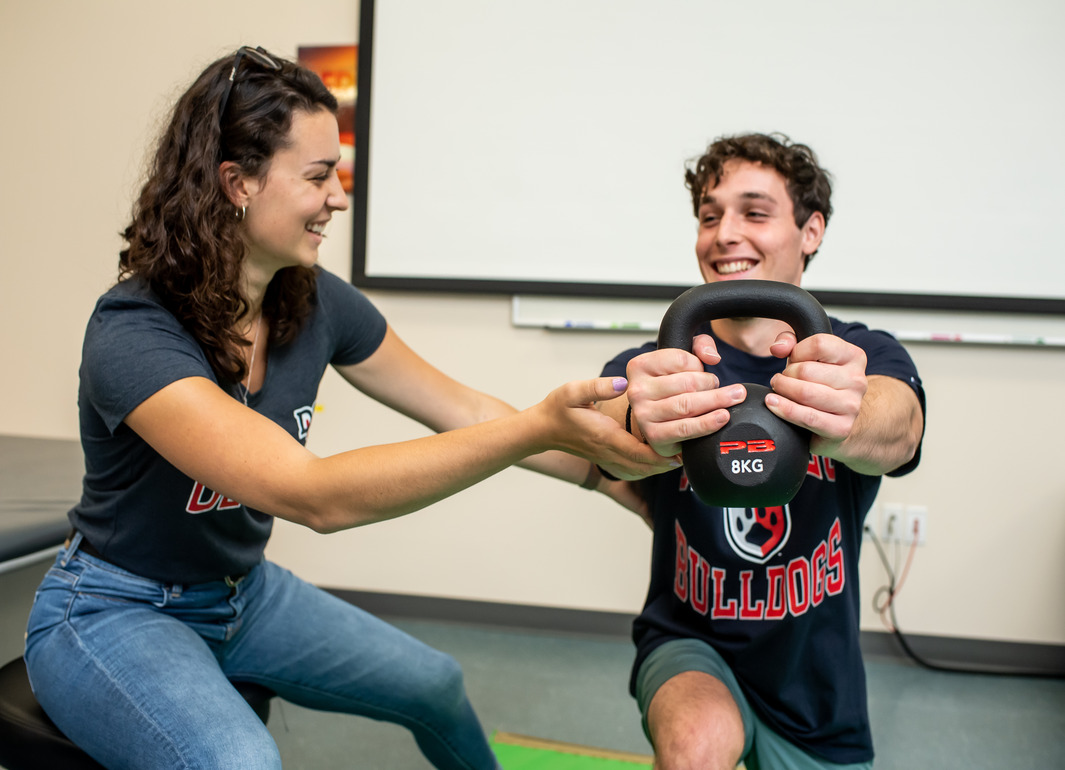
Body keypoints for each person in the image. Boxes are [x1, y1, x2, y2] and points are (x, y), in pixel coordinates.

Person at [23, 46, 676, 770]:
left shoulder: (311, 299)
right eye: (316, 176)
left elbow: (460, 406)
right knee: (242, 763)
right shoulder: (133, 331)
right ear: (236, 183)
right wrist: (536, 426)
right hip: (116, 609)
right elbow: (313, 496)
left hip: (244, 594)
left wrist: (612, 482)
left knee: (436, 683)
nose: (338, 195)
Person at [598, 133, 926, 769]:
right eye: (710, 215)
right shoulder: (661, 366)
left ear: (811, 230)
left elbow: (899, 424)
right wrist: (637, 416)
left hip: (815, 682)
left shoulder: (860, 356)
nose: (724, 233)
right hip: (692, 642)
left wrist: (841, 415)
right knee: (696, 744)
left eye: (754, 212)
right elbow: (605, 422)